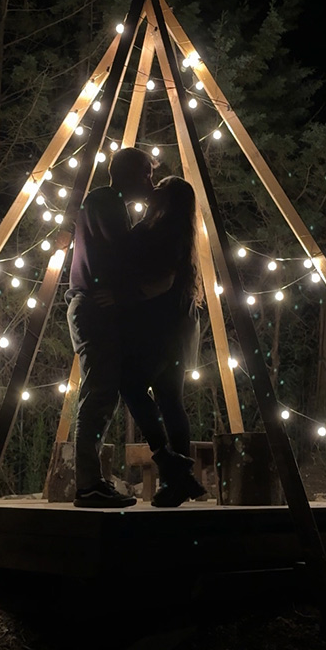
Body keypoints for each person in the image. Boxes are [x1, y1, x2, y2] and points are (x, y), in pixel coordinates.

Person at [66, 146, 154, 508]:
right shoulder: (105, 203)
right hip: (93, 307)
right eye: (145, 173)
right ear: (128, 174)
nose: (149, 180)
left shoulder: (103, 202)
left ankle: (91, 481)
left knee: (101, 394)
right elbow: (123, 253)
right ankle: (88, 484)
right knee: (99, 394)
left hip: (91, 304)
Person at [121, 176, 207, 507]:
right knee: (170, 399)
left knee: (130, 386)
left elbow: (158, 278)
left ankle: (170, 463)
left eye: (161, 188)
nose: (153, 190)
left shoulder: (162, 233)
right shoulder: (181, 235)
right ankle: (178, 478)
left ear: (168, 200)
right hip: (178, 325)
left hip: (162, 327)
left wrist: (124, 296)